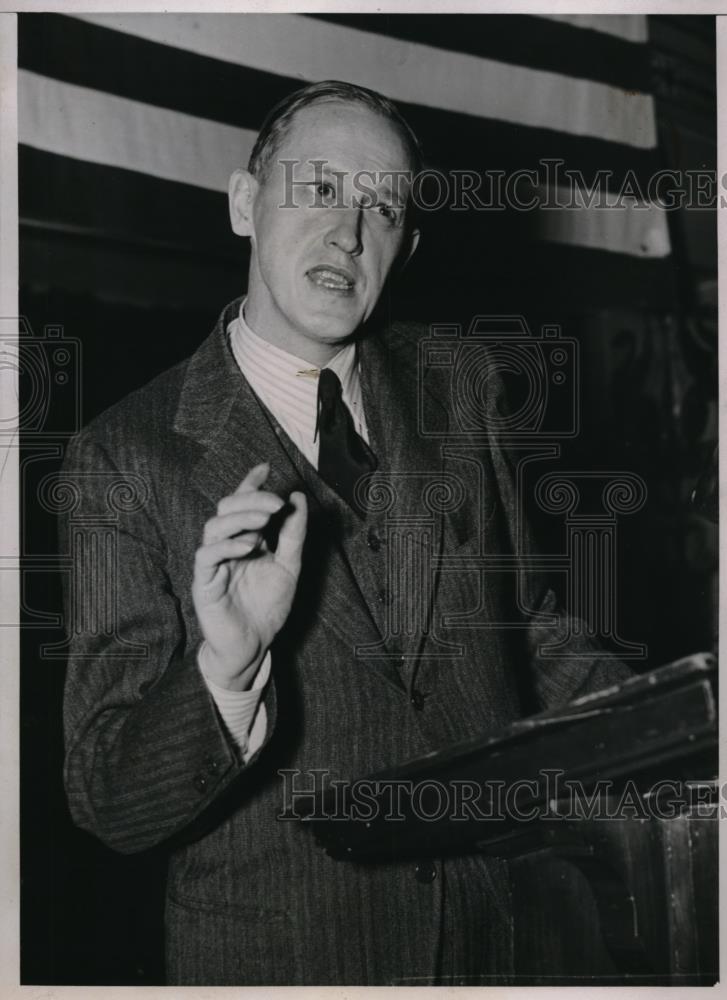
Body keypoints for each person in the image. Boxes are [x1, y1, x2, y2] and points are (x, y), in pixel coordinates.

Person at [61, 80, 631, 986]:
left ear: (407, 247)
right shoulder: (122, 455)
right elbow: (108, 800)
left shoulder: (462, 386)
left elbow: (528, 634)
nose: (348, 232)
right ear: (244, 204)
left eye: (383, 207)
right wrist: (226, 672)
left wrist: (683, 727)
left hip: (506, 944)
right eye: (320, 188)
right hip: (288, 963)